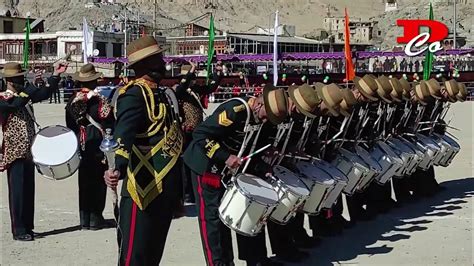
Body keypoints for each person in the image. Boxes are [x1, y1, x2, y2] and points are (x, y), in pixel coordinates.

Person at [183, 84, 289, 266]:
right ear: (258, 105)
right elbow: (201, 135)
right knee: (213, 219)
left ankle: (255, 259)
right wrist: (225, 157)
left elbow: (253, 146)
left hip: (232, 169)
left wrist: (265, 163)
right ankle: (219, 263)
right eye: (266, 117)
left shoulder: (265, 119)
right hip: (207, 166)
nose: (266, 122)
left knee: (249, 210)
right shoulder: (235, 110)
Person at [103, 36, 183, 265]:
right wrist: (116, 167)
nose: (163, 62)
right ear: (146, 64)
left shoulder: (162, 94)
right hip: (142, 186)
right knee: (135, 255)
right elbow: (124, 135)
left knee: (153, 253)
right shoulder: (134, 95)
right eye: (158, 58)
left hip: (164, 187)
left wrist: (176, 193)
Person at [0, 62, 67, 241]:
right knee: (18, 192)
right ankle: (19, 229)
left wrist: (55, 76)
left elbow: (43, 94)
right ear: (10, 81)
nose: (22, 80)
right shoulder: (4, 97)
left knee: (28, 191)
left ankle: (28, 227)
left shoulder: (23, 94)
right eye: (19, 78)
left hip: (29, 150)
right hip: (15, 151)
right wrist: (30, 87)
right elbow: (16, 103)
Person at [66, 64, 114, 230]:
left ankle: (84, 219)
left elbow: (70, 123)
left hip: (81, 140)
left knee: (84, 181)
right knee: (98, 180)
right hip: (97, 139)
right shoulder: (99, 100)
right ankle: (96, 218)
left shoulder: (73, 99)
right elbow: (108, 119)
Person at [175, 61, 223, 204]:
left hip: (197, 131)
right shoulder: (180, 90)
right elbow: (183, 86)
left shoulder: (195, 90)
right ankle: (187, 193)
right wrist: (192, 69)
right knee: (185, 162)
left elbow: (211, 87)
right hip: (185, 132)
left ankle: (195, 190)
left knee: (197, 160)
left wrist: (218, 72)